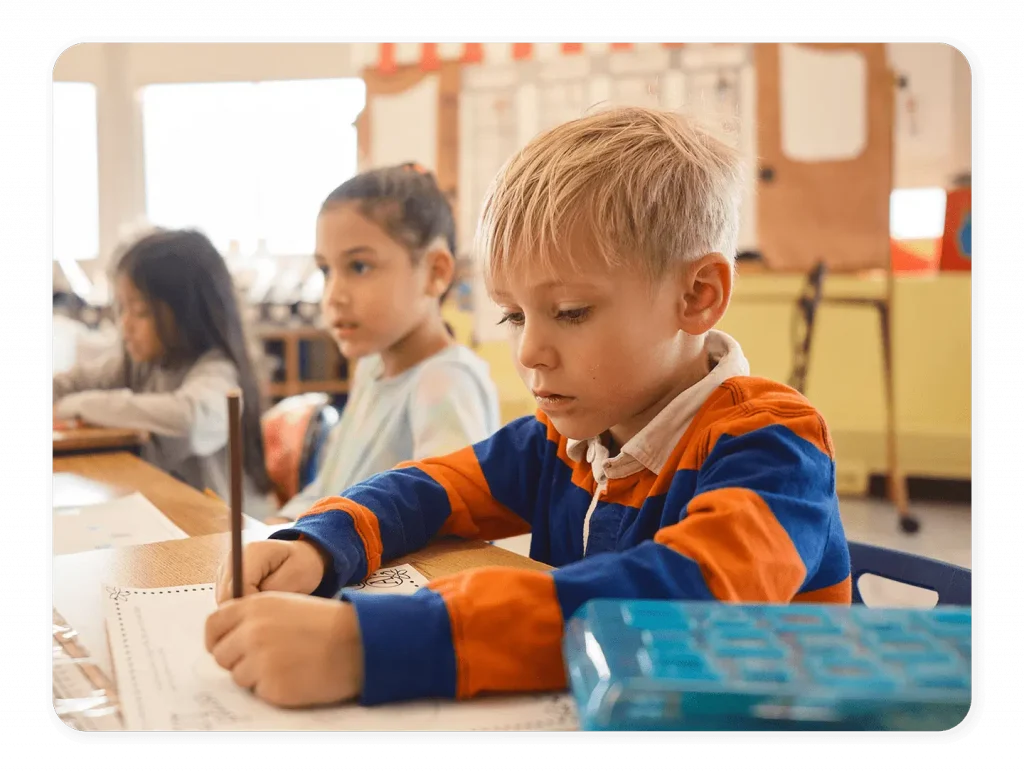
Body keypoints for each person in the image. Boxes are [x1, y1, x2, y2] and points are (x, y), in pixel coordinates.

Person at [205, 107, 850, 710]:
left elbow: (680, 609)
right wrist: (321, 543)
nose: (530, 351)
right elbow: (431, 487)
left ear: (697, 295)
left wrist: (368, 643)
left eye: (570, 312)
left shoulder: (774, 444)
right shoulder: (566, 439)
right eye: (513, 315)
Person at [272, 163, 500, 522]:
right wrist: (284, 525)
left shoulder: (445, 383)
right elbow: (330, 489)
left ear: (435, 272)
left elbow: (446, 525)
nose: (333, 296)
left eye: (359, 267)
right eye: (325, 270)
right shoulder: (371, 367)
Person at [52, 228, 277, 521]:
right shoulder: (143, 362)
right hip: (169, 517)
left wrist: (78, 406)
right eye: (122, 310)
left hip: (228, 532)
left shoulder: (218, 371)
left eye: (141, 312)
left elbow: (190, 419)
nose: (125, 325)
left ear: (187, 314)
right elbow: (70, 383)